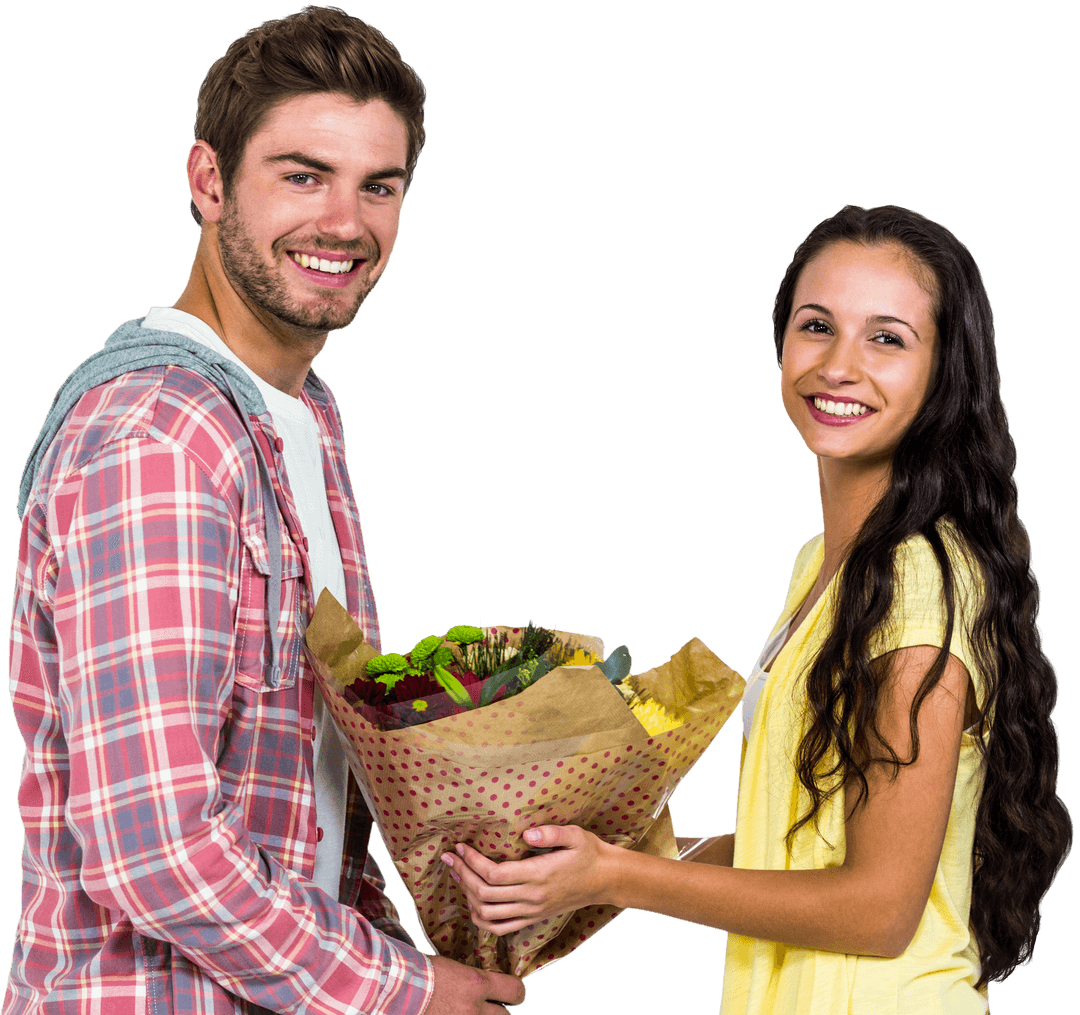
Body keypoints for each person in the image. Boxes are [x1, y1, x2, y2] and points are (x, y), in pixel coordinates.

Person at [5, 7, 524, 1015]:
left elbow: (300, 805)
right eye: (302, 175)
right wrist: (404, 991)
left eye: (380, 186)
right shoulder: (160, 438)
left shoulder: (299, 421)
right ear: (207, 181)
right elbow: (155, 845)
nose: (345, 222)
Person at [445, 204, 1073, 1013]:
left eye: (887, 338)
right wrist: (608, 855)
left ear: (945, 371)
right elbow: (807, 845)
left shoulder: (919, 583)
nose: (838, 365)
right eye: (817, 326)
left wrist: (619, 877)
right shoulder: (825, 565)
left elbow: (879, 908)